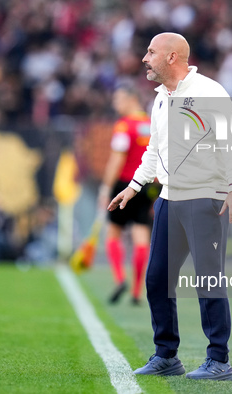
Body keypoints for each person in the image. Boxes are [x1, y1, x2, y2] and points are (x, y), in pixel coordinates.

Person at [108, 32, 232, 381]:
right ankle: (166, 355)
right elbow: (154, 151)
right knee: (157, 280)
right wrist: (135, 186)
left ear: (172, 57)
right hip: (169, 198)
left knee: (208, 280)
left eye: (151, 52)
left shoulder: (210, 92)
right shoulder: (158, 99)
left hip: (206, 199)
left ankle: (219, 361)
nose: (144, 58)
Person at [98, 85, 152, 305]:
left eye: (119, 99)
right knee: (141, 235)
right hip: (148, 184)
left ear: (132, 99)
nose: (115, 104)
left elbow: (117, 159)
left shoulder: (124, 126)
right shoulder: (152, 124)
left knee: (113, 234)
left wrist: (105, 187)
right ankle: (137, 292)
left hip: (124, 184)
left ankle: (120, 279)